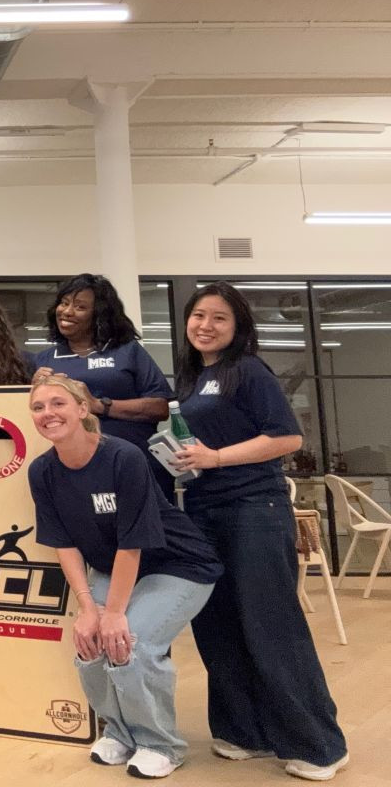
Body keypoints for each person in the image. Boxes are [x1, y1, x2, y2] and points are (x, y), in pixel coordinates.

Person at [172, 282, 348, 781]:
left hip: (253, 507)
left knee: (269, 622)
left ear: (237, 326)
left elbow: (287, 436)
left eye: (219, 318)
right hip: (203, 509)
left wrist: (217, 457)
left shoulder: (247, 370)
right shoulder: (190, 378)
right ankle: (244, 730)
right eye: (198, 315)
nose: (206, 325)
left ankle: (319, 745)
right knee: (217, 623)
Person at [27, 373, 221, 779]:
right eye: (39, 407)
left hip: (179, 564)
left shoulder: (123, 457)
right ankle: (119, 730)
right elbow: (64, 544)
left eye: (58, 404)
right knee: (89, 638)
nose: (48, 413)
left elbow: (132, 544)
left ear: (82, 409)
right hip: (113, 566)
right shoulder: (42, 471)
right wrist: (87, 607)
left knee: (130, 639)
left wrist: (113, 611)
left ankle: (160, 743)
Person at [33, 274, 175, 501]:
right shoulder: (44, 360)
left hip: (134, 467)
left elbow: (160, 407)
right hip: (76, 472)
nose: (67, 311)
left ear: (99, 315)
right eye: (64, 302)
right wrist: (34, 389)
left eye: (80, 306)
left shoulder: (127, 351)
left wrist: (99, 405)